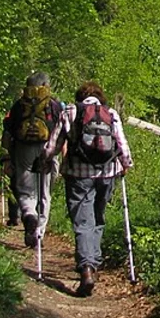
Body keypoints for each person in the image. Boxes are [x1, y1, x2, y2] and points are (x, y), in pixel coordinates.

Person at [48, 80, 132, 296]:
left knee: (83, 220)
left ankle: (86, 267)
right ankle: (93, 262)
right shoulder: (110, 113)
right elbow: (122, 144)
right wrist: (126, 164)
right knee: (98, 217)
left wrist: (44, 159)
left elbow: (54, 144)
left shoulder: (70, 112)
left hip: (78, 174)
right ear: (100, 97)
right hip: (107, 173)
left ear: (80, 96)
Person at [1, 72, 62, 248]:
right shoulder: (53, 105)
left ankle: (29, 216)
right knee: (45, 192)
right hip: (48, 149)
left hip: (23, 150)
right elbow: (62, 131)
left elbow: (8, 131)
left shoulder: (20, 106)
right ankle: (39, 233)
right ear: (46, 86)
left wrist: (6, 158)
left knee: (26, 190)